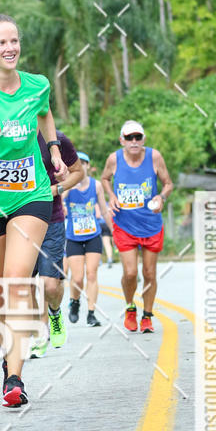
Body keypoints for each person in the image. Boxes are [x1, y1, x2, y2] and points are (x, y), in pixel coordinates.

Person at [0, 14, 83, 405]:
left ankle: (14, 379)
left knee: (17, 280)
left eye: (14, 40)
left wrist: (52, 150)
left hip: (30, 194)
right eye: (1, 43)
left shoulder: (37, 85)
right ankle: (8, 360)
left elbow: (45, 113)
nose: (10, 48)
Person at [101, 120, 173, 333]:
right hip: (124, 225)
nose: (134, 141)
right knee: (131, 273)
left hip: (151, 224)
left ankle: (147, 316)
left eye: (137, 137)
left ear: (144, 139)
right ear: (121, 139)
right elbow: (105, 178)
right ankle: (130, 306)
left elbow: (168, 183)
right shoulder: (114, 159)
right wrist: (111, 196)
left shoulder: (154, 157)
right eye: (129, 137)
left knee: (149, 273)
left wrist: (161, 197)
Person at [30, 130, 79, 358]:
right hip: (18, 222)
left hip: (52, 220)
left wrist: (57, 189)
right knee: (27, 283)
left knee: (50, 285)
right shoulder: (8, 138)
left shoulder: (56, 141)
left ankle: (55, 312)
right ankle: (40, 334)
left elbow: (78, 173)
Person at [65, 151, 112, 327]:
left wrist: (114, 230)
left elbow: (104, 210)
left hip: (93, 235)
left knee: (92, 274)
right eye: (77, 164)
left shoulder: (97, 185)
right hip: (74, 237)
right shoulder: (68, 187)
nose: (80, 167)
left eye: (83, 163)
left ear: (87, 167)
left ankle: (91, 313)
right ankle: (75, 302)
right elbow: (59, 202)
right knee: (77, 278)